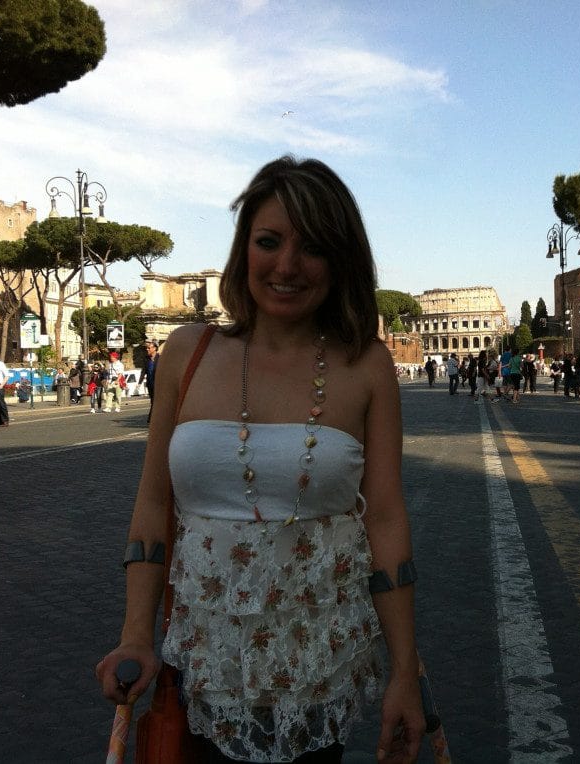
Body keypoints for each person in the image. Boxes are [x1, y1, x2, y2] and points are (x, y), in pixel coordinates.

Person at [95, 156, 423, 762]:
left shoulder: (367, 365)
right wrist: (135, 635)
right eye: (269, 241)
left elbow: (385, 520)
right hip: (202, 663)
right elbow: (153, 502)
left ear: (341, 260)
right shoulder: (186, 351)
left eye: (313, 247)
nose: (287, 266)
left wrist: (405, 671)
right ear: (243, 249)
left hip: (318, 668)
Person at [141, 341, 160, 419]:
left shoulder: (160, 358)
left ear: (154, 348)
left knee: (156, 400)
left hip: (158, 383)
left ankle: (151, 417)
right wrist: (139, 382)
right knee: (153, 400)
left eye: (149, 348)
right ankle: (153, 417)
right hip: (150, 383)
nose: (147, 349)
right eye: (147, 348)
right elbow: (144, 371)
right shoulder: (146, 359)